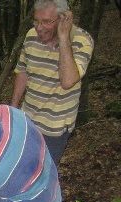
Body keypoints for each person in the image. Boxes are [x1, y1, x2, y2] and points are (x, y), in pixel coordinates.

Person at [10, 0, 94, 165]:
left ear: (63, 18)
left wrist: (63, 38)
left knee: (42, 175)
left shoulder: (81, 41)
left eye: (47, 21)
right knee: (19, 169)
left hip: (54, 128)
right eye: (36, 20)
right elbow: (22, 71)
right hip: (27, 120)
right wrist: (13, 107)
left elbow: (68, 81)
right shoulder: (31, 36)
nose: (39, 27)